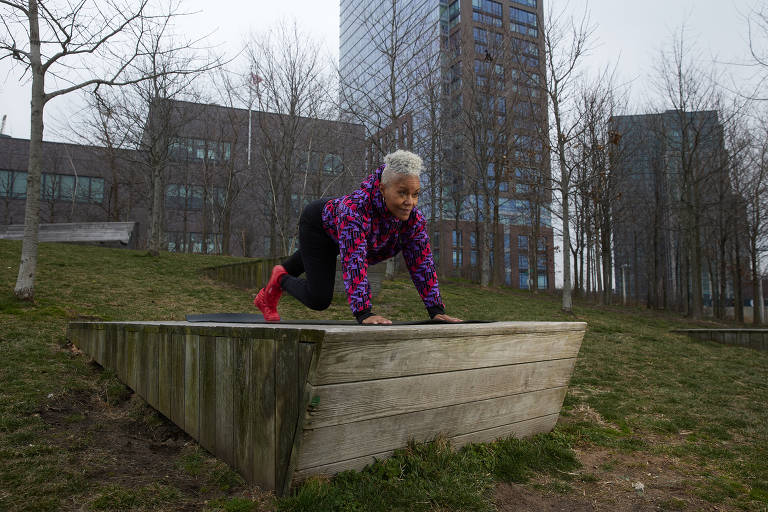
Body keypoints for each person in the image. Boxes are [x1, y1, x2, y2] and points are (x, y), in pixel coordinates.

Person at [254, 149, 461, 325]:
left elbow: (421, 262)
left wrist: (435, 310)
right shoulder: (356, 212)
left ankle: (272, 288)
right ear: (383, 189)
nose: (410, 202)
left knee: (313, 257)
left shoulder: (412, 220)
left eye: (415, 194)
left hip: (339, 232)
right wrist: (364, 312)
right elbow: (355, 261)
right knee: (319, 299)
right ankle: (280, 278)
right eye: (402, 193)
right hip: (318, 225)